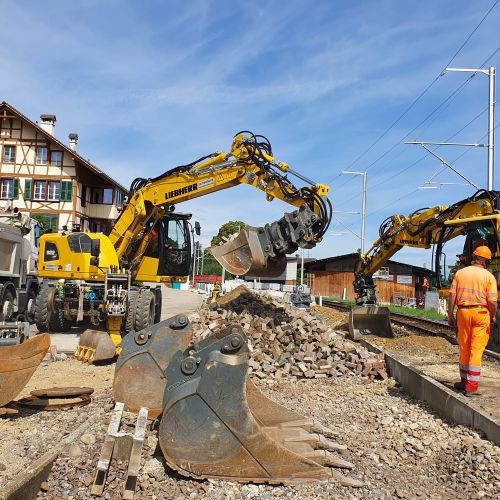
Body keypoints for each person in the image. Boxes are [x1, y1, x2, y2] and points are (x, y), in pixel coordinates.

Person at [448, 245, 498, 396]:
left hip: (463, 312)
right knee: (476, 349)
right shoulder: (489, 277)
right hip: (481, 312)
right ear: (487, 261)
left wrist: (451, 315)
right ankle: (471, 386)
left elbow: (452, 295)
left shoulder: (460, 273)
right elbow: (492, 301)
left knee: (464, 347)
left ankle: (463, 381)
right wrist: (493, 315)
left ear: (474, 257)